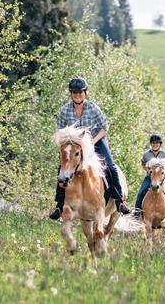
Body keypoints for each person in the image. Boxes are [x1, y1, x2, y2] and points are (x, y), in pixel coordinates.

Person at [49, 76, 131, 220]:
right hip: (74, 146)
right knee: (62, 169)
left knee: (110, 166)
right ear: (71, 94)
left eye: (80, 92)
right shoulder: (64, 110)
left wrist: (92, 141)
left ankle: (119, 201)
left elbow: (104, 127)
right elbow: (60, 132)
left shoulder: (93, 107)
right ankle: (59, 205)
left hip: (95, 141)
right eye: (74, 92)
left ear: (85, 92)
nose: (77, 95)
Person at [133, 134, 165, 228]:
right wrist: (148, 170)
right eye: (153, 143)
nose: (155, 145)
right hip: (150, 178)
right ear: (151, 144)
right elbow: (143, 164)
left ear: (160, 144)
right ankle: (136, 214)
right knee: (141, 192)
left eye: (157, 143)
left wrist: (163, 171)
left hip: (162, 178)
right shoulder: (146, 154)